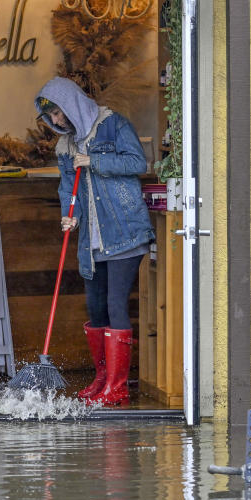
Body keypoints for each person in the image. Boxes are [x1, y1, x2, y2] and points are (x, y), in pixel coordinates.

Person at [35, 77, 155, 406]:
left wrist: (95, 161)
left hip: (124, 232)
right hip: (92, 240)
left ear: (72, 104)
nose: (56, 121)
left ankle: (117, 389)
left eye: (59, 113)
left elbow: (137, 163)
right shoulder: (66, 146)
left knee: (116, 305)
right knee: (96, 307)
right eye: (51, 117)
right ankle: (102, 380)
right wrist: (69, 215)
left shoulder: (113, 125)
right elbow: (67, 187)